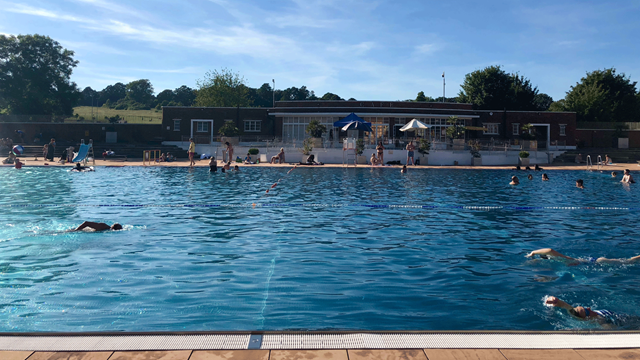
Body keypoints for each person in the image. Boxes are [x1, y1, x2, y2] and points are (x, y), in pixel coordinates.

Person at [544, 296, 620, 326]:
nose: (589, 308)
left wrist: (551, 299)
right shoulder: (600, 320)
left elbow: (562, 304)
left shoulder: (574, 311)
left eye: (586, 308)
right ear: (587, 318)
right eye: (587, 311)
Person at [526, 248, 640, 265]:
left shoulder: (561, 258)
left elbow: (550, 250)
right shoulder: (559, 260)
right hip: (592, 263)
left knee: (627, 262)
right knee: (626, 262)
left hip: (597, 262)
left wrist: (533, 252)